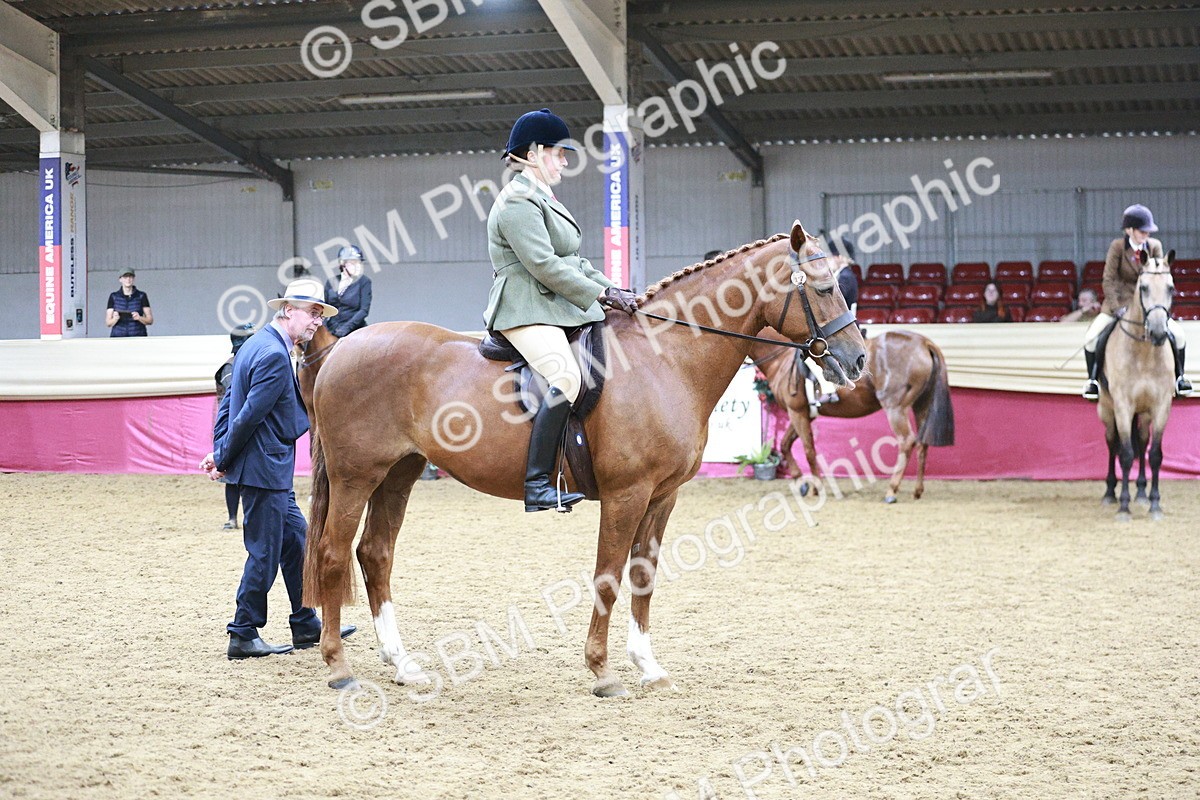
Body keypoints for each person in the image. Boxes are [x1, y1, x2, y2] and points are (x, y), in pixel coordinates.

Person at [483, 108, 639, 513]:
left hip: (553, 304)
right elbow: (543, 265)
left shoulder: (543, 197)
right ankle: (537, 484)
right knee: (567, 377)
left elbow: (574, 260)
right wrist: (598, 296)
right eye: (559, 152)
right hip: (524, 306)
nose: (566, 160)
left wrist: (612, 290)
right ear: (533, 154)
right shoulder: (517, 200)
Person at [200, 278, 356, 659]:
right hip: (264, 469)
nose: (317, 321)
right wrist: (222, 457)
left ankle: (304, 622)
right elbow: (249, 415)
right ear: (289, 310)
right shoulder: (272, 354)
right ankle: (242, 631)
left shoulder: (257, 344)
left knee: (297, 541)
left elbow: (230, 403)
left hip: (268, 470)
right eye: (313, 313)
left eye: (321, 314)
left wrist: (218, 449)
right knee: (264, 553)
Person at [1082, 204, 1190, 400]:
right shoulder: (1117, 247)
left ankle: (1180, 378)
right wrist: (1116, 308)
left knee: (1179, 336)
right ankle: (1093, 381)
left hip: (1148, 306)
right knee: (1091, 338)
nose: (1146, 234)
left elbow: (1159, 277)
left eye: (1148, 231)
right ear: (1129, 230)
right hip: (1120, 304)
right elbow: (1108, 279)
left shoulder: (1154, 246)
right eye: (1142, 231)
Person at [214, 323, 255, 530]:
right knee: (229, 472)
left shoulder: (247, 363)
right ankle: (232, 517)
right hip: (230, 425)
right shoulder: (230, 367)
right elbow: (236, 397)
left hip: (243, 423)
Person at [323, 245, 373, 338]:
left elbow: (364, 310)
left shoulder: (364, 282)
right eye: (353, 263)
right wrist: (324, 326)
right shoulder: (331, 281)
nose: (358, 266)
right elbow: (324, 307)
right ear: (343, 264)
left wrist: (345, 328)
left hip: (355, 329)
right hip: (332, 328)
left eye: (359, 263)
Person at [105, 269, 153, 336]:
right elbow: (108, 323)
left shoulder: (141, 296)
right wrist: (115, 319)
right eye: (125, 277)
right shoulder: (114, 296)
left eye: (130, 277)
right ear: (120, 279)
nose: (128, 279)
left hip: (138, 336)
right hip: (118, 337)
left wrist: (139, 318)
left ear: (134, 279)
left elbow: (150, 320)